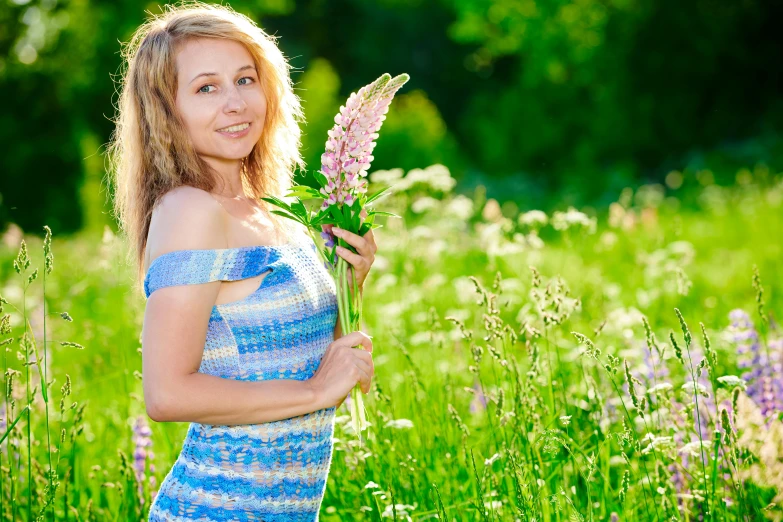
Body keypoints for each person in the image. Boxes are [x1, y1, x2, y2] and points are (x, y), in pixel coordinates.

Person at [105, 2, 376, 520]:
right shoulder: (190, 211)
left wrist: (349, 282)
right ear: (168, 112)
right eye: (206, 88)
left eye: (245, 79)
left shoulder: (275, 211)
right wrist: (319, 388)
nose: (235, 103)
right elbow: (166, 393)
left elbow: (304, 370)